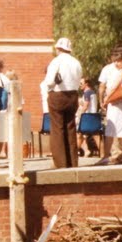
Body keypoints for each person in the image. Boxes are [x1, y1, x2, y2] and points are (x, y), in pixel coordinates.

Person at [40, 37, 83, 169]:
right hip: (73, 95)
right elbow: (79, 79)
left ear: (58, 48)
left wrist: (49, 89)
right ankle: (72, 162)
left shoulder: (56, 61)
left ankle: (61, 163)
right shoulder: (76, 62)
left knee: (57, 129)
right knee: (70, 127)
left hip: (58, 95)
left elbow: (49, 81)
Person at [98, 47, 122, 165]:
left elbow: (102, 86)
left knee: (114, 129)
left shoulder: (108, 69)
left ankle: (108, 155)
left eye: (118, 60)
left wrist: (102, 100)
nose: (116, 62)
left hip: (116, 102)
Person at [76, 78, 100, 157]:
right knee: (95, 134)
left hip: (88, 116)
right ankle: (100, 152)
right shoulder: (93, 92)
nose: (80, 85)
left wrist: (80, 114)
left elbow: (86, 105)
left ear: (86, 84)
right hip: (93, 115)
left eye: (81, 83)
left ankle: (75, 152)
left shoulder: (87, 93)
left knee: (79, 134)